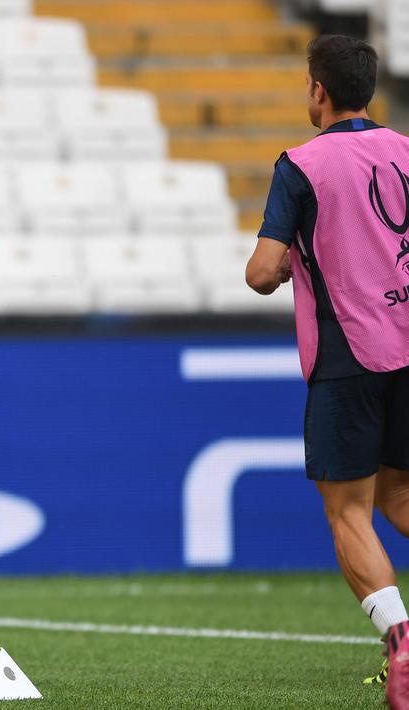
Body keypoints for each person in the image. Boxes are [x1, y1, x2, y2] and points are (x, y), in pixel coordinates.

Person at [246, 34, 409, 708]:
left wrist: (286, 263)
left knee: (348, 509)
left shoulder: (299, 165)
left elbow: (259, 272)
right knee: (400, 495)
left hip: (350, 353)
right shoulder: (405, 149)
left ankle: (401, 644)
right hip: (408, 343)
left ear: (317, 90)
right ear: (367, 89)